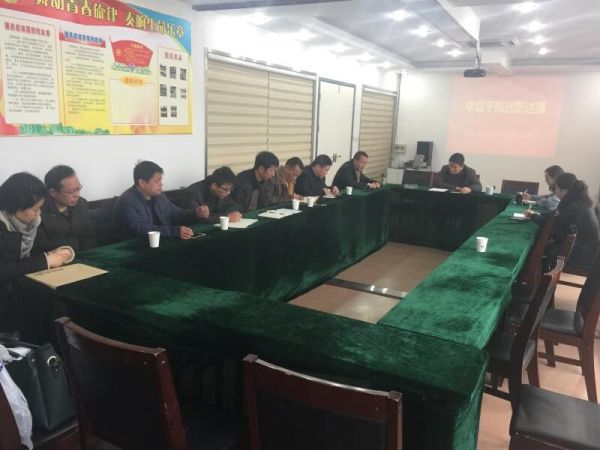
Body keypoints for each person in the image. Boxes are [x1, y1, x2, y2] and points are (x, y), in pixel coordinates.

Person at [0, 173, 72, 331]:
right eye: (35, 209)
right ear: (15, 207)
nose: (38, 214)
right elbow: (4, 269)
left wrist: (60, 252)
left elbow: (42, 246)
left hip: (22, 288)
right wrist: (45, 261)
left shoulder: (30, 223)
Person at [115, 161, 209, 240]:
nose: (161, 184)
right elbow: (141, 229)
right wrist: (174, 231)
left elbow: (176, 214)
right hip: (134, 247)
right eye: (157, 181)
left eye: (161, 180)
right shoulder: (127, 202)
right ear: (142, 183)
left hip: (159, 242)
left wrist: (195, 213)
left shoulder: (158, 196)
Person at [526, 173, 600, 269]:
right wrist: (535, 215)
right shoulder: (579, 200)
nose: (555, 191)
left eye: (556, 189)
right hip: (585, 250)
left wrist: (532, 215)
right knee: (540, 245)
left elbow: (551, 223)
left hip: (581, 255)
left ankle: (538, 273)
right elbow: (554, 216)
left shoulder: (574, 207)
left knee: (534, 248)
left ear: (564, 191)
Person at [33, 165, 96, 253]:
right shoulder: (38, 212)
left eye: (78, 189)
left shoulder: (82, 204)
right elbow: (42, 247)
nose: (76, 195)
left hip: (82, 255)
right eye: (70, 192)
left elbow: (88, 236)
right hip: (56, 258)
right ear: (53, 192)